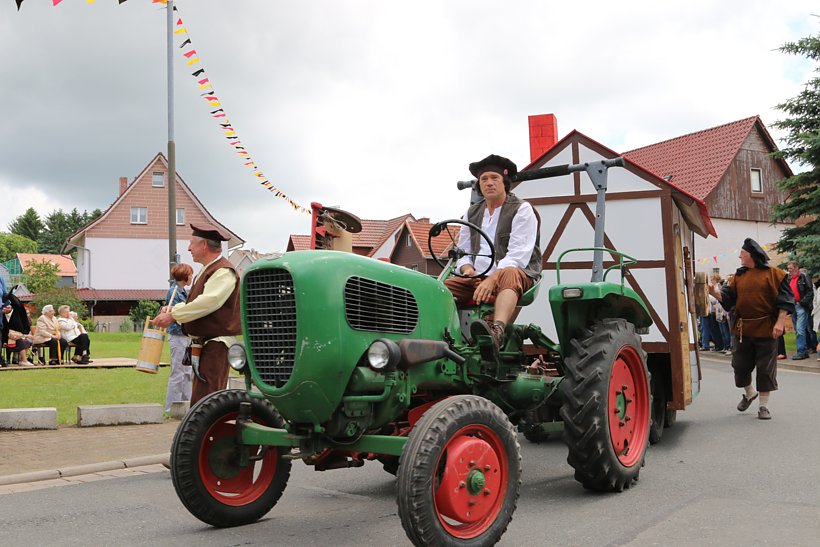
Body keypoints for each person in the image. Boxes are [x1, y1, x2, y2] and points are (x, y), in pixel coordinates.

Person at [444, 154, 542, 348]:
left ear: (504, 182)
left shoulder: (521, 209)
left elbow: (517, 257)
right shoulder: (471, 213)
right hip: (476, 278)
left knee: (509, 272)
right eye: (484, 179)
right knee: (437, 289)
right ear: (479, 184)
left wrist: (491, 279)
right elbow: (462, 253)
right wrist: (468, 272)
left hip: (515, 275)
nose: (489, 183)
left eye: (494, 178)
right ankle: (442, 337)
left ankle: (497, 331)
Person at [153, 223, 241, 405]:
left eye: (192, 243)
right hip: (206, 346)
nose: (188, 248)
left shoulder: (223, 271)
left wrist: (174, 314)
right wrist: (173, 310)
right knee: (202, 404)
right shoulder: (209, 270)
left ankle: (209, 434)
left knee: (207, 404)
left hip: (216, 346)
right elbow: (199, 303)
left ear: (204, 245)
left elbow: (210, 301)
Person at [710, 238, 794, 420]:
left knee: (765, 369)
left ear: (751, 255)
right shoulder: (738, 276)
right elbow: (728, 299)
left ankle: (763, 407)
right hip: (742, 329)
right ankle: (750, 394)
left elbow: (786, 301)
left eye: (742, 252)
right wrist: (713, 292)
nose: (739, 255)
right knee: (739, 366)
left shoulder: (775, 274)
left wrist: (780, 322)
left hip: (767, 328)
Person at [163, 262, 194, 412]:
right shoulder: (174, 291)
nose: (192, 277)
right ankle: (171, 407)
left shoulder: (183, 291)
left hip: (185, 336)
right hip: (177, 336)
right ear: (184, 276)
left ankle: (186, 404)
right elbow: (176, 314)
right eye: (190, 274)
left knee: (187, 372)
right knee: (178, 372)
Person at [786, 261, 813, 360]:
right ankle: (805, 351)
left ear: (796, 268)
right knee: (798, 330)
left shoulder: (803, 276)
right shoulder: (790, 279)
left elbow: (810, 291)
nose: (789, 270)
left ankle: (801, 351)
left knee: (800, 329)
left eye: (791, 268)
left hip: (801, 306)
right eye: (788, 268)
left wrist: (801, 302)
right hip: (793, 307)